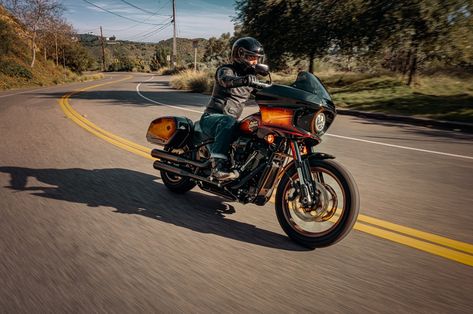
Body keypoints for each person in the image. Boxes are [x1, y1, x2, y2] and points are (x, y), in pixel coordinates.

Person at [199, 37, 265, 181]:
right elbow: (225, 80)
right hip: (212, 118)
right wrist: (243, 80)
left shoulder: (251, 78)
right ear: (240, 55)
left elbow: (263, 95)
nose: (255, 62)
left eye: (257, 58)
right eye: (252, 57)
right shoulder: (226, 70)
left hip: (230, 121)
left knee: (257, 127)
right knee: (228, 121)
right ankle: (218, 167)